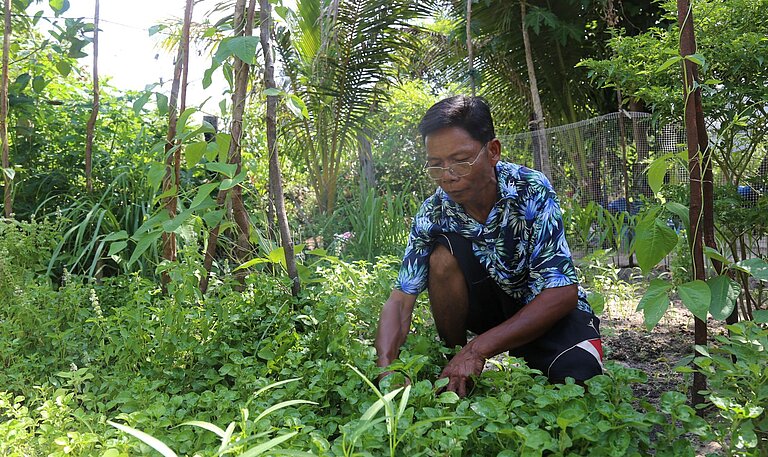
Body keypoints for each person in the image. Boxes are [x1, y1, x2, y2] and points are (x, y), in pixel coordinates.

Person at [374, 95, 603, 397]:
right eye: (436, 165)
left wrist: (477, 349)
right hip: (485, 308)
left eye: (460, 161)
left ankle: (474, 355)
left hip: (538, 307)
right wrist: (386, 364)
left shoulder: (530, 188)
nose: (448, 177)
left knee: (579, 375)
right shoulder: (433, 213)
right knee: (441, 258)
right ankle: (452, 361)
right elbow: (401, 299)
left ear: (492, 151)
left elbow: (562, 292)